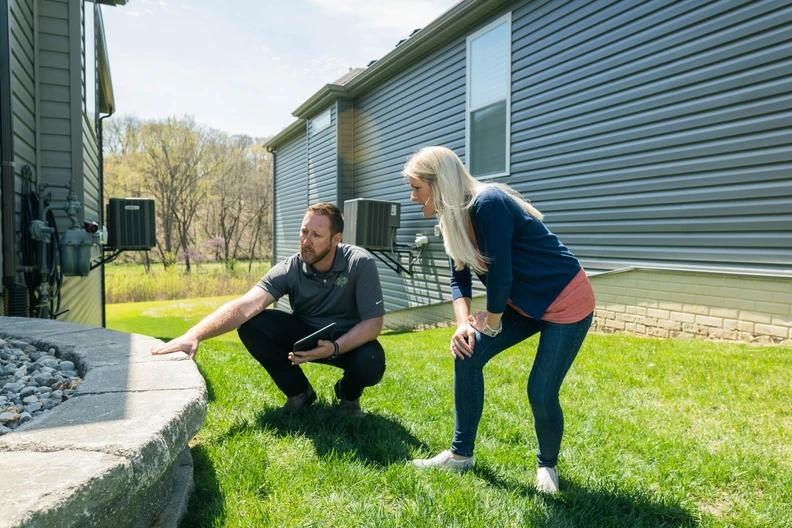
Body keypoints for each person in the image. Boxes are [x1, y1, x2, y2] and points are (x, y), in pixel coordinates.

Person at [404, 146, 595, 493]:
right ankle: (460, 456)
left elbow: (501, 276)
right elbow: (458, 280)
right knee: (467, 350)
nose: (412, 197)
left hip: (566, 299)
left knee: (540, 390)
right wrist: (464, 325)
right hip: (521, 303)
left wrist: (491, 320)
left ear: (439, 183)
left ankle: (547, 466)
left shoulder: (487, 203)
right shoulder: (450, 220)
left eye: (416, 187)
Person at [151, 202, 386, 415]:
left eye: (316, 235)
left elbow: (373, 324)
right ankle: (300, 394)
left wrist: (335, 347)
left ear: (336, 239)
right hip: (307, 336)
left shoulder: (359, 263)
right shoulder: (290, 268)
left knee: (372, 361)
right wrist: (194, 335)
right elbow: (245, 306)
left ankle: (347, 396)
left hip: (346, 341)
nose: (306, 241)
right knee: (253, 325)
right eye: (304, 231)